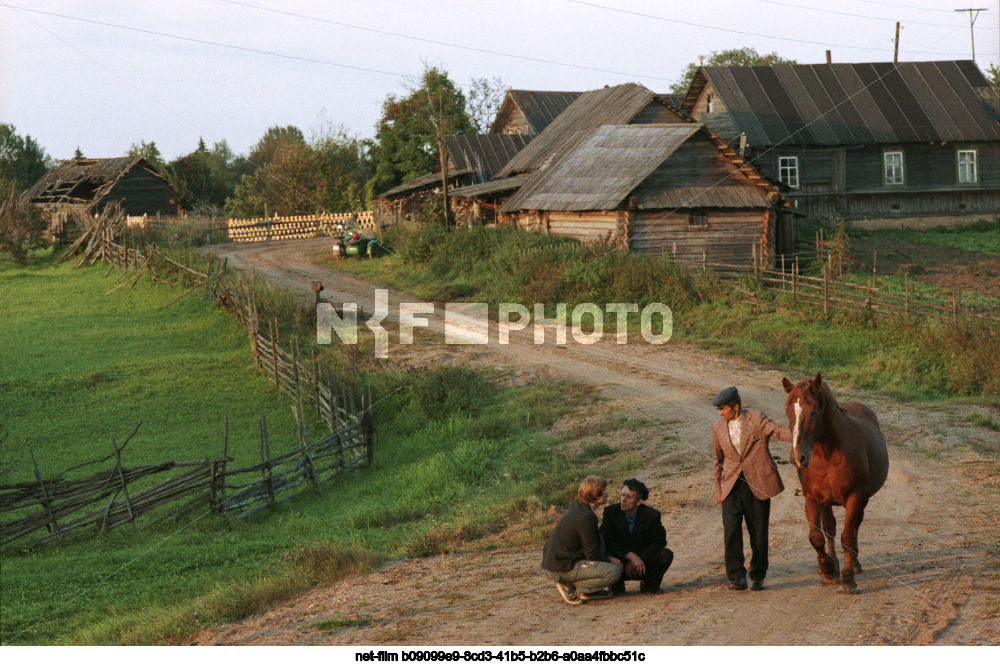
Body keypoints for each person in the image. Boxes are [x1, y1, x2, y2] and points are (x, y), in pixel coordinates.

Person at [711, 386, 791, 591]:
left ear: (735, 407)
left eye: (723, 409)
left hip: (758, 484)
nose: (720, 413)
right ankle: (736, 577)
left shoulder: (756, 419)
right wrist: (719, 489)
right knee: (731, 531)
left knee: (759, 531)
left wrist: (801, 433)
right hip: (731, 486)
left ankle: (758, 575)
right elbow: (717, 461)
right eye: (718, 410)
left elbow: (777, 431)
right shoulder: (717, 427)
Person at [542, 476, 623, 605]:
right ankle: (572, 586)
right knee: (613, 572)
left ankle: (589, 591)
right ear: (595, 494)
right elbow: (591, 553)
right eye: (604, 489)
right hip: (563, 567)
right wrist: (611, 560)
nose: (607, 492)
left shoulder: (578, 507)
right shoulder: (586, 516)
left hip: (560, 561)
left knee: (600, 538)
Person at [600, 478, 674, 595]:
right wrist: (629, 556)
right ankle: (616, 585)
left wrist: (639, 557)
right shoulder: (611, 512)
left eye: (629, 497)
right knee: (605, 554)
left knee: (666, 554)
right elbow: (605, 540)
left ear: (639, 501)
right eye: (623, 495)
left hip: (642, 565)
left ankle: (649, 584)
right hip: (619, 564)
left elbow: (659, 541)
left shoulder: (651, 515)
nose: (623, 500)